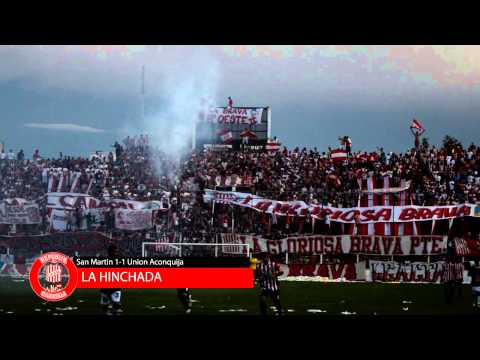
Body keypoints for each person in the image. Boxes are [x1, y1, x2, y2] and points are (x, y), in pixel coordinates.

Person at [100, 244, 123, 315]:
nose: (116, 253)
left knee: (115, 305)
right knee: (107, 306)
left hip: (112, 286)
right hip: (108, 286)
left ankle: (113, 310)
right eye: (115, 251)